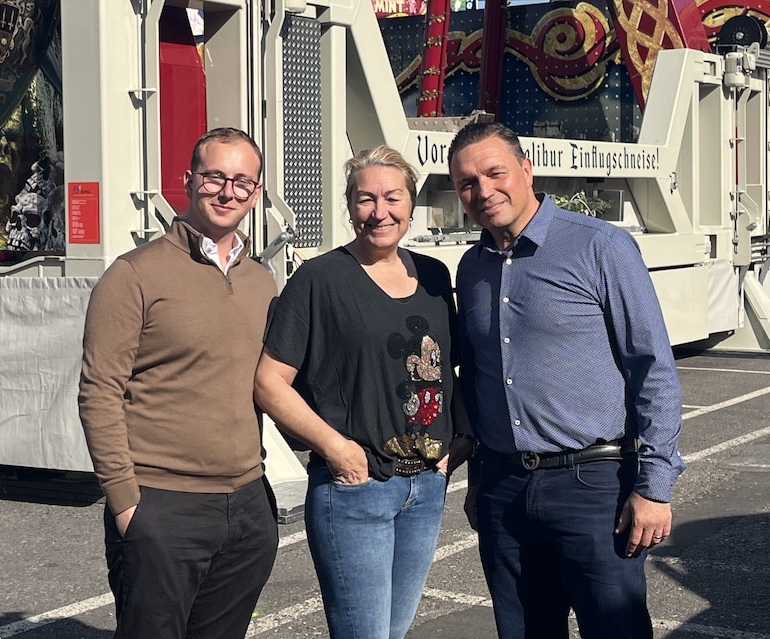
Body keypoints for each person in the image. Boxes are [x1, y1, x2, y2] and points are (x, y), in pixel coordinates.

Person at [447, 118, 686, 639]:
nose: (483, 190)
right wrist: (479, 482)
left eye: (495, 173)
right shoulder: (472, 268)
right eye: (467, 183)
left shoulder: (599, 247)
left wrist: (655, 486)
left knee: (615, 629)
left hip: (592, 487)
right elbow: (480, 380)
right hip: (504, 489)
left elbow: (653, 369)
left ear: (526, 170)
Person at [254, 145, 473, 639]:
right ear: (349, 207)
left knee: (393, 632)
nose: (380, 212)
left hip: (426, 487)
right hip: (355, 489)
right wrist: (335, 448)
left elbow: (449, 368)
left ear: (411, 205)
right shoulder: (320, 280)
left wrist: (463, 437)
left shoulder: (434, 276)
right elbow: (269, 382)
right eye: (365, 199)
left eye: (392, 198)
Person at [78, 127, 279, 639]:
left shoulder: (261, 281)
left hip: (247, 503)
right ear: (188, 181)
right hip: (162, 502)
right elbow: (99, 391)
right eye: (215, 177)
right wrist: (126, 502)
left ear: (256, 194)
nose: (227, 192)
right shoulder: (134, 275)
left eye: (242, 182)